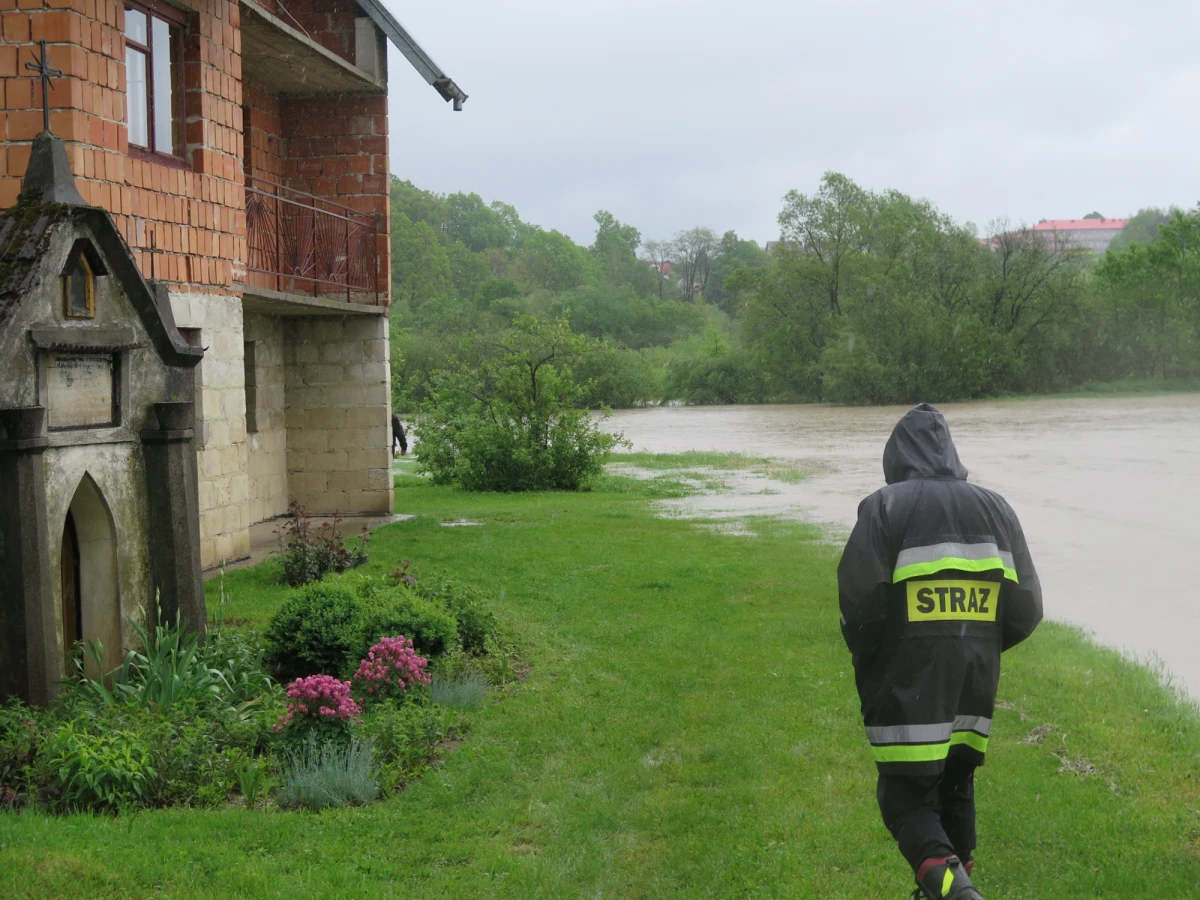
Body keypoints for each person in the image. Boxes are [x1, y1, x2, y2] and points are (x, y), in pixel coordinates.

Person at [838, 403, 1042, 900]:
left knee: (906, 800)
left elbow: (860, 605)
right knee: (955, 785)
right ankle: (948, 887)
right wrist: (977, 644)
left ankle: (957, 893)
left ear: (897, 456)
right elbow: (1026, 610)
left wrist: (877, 658)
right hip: (973, 684)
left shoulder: (885, 506)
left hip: (908, 683)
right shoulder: (997, 508)